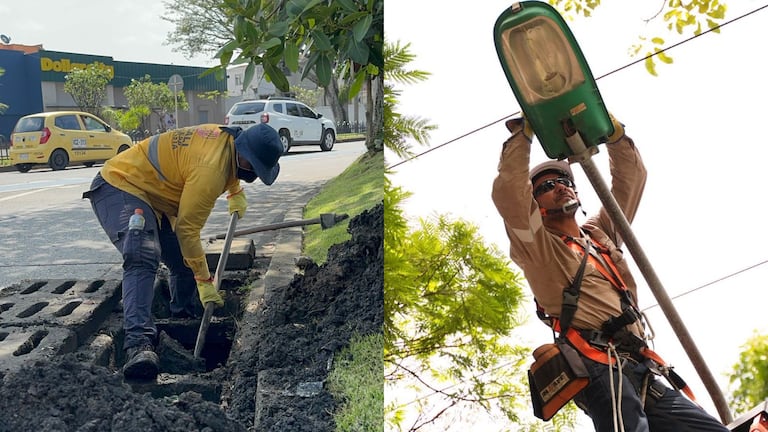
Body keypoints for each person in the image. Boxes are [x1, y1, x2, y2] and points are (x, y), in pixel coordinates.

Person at [491, 115, 728, 431]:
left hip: (639, 365)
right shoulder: (539, 247)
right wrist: (524, 136)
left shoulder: (600, 234)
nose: (560, 186)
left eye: (565, 182)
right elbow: (510, 194)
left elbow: (631, 178)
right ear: (536, 204)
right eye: (547, 186)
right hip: (597, 363)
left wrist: (612, 133)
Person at [83, 123, 283, 380]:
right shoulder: (210, 172)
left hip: (155, 194)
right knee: (142, 255)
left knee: (184, 262)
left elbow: (229, 165)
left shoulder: (228, 140)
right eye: (253, 167)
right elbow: (188, 229)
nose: (254, 173)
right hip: (121, 184)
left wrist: (235, 190)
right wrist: (204, 280)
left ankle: (183, 314)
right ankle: (138, 344)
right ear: (243, 155)